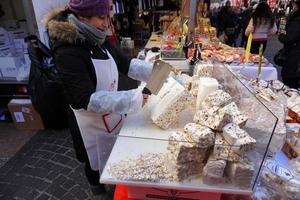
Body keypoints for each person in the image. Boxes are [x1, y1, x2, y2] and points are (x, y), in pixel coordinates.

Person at [44, 0, 154, 196]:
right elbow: (84, 99)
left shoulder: (97, 37)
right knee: (94, 165)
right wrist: (134, 98)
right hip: (88, 124)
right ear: (82, 16)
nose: (106, 23)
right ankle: (98, 192)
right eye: (101, 18)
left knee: (115, 154)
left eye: (107, 17)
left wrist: (160, 73)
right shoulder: (67, 50)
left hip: (111, 114)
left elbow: (126, 64)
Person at [278, 0, 300, 89]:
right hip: (295, 58)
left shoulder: (297, 19)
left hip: (294, 59)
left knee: (290, 85)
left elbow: (288, 38)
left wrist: (281, 32)